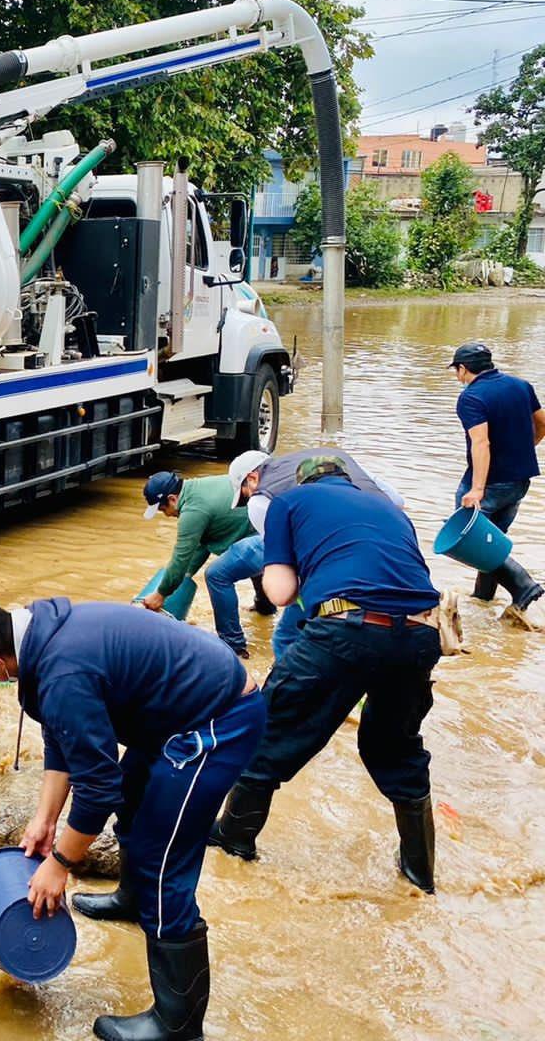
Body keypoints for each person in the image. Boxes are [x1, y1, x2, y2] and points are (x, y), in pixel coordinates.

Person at [0, 597, 264, 1041]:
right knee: (133, 801)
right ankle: (134, 900)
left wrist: (59, 865)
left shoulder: (63, 673)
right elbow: (62, 738)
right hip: (175, 714)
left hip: (216, 723)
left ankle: (178, 1023)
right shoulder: (42, 635)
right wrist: (45, 819)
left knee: (162, 862)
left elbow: (97, 790)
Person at [209, 456, 443, 893]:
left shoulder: (287, 502)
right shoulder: (388, 507)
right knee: (394, 747)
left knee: (269, 728)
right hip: (421, 635)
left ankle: (233, 840)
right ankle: (419, 871)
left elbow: (279, 593)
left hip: (345, 629)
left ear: (303, 480)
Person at [217, 447, 410, 661]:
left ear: (252, 478)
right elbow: (397, 501)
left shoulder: (260, 500)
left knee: (287, 636)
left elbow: (288, 564)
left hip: (335, 569)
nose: (248, 499)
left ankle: (293, 688)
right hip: (395, 563)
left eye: (244, 494)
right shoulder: (341, 459)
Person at [448, 341, 545, 624]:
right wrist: (529, 446)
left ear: (463, 369)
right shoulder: (520, 385)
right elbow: (542, 422)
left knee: (468, 541)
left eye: (457, 371)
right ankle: (483, 598)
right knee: (491, 539)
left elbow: (481, 442)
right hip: (519, 481)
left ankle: (523, 586)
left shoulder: (471, 397)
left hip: (489, 484)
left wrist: (477, 488)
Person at [138, 469, 255, 654]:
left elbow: (181, 558)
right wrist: (185, 576)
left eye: (163, 509)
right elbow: (201, 545)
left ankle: (233, 644)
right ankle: (265, 608)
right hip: (259, 525)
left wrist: (160, 594)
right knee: (247, 560)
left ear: (173, 499)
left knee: (217, 575)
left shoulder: (192, 512)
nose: (167, 515)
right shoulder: (198, 487)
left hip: (262, 533)